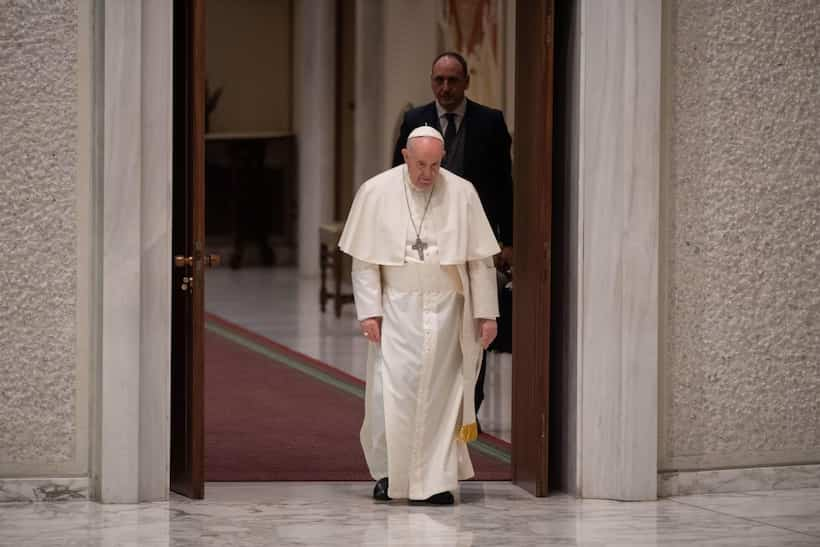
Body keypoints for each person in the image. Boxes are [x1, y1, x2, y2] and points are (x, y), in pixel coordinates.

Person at [339, 126, 499, 505]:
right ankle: (390, 474)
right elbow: (364, 262)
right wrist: (370, 312)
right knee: (389, 393)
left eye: (435, 165)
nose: (427, 174)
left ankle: (437, 481)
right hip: (397, 307)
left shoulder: (462, 192)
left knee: (443, 396)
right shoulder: (376, 191)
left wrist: (487, 314)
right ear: (405, 156)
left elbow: (481, 262)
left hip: (448, 310)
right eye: (420, 164)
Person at [392, 51, 514, 420]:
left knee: (473, 329)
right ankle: (430, 407)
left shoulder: (490, 122)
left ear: (466, 82)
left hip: (473, 241)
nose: (445, 88)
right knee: (429, 328)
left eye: (452, 80)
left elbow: (504, 186)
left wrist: (508, 240)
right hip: (424, 242)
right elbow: (396, 180)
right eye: (439, 80)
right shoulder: (415, 120)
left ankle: (468, 407)